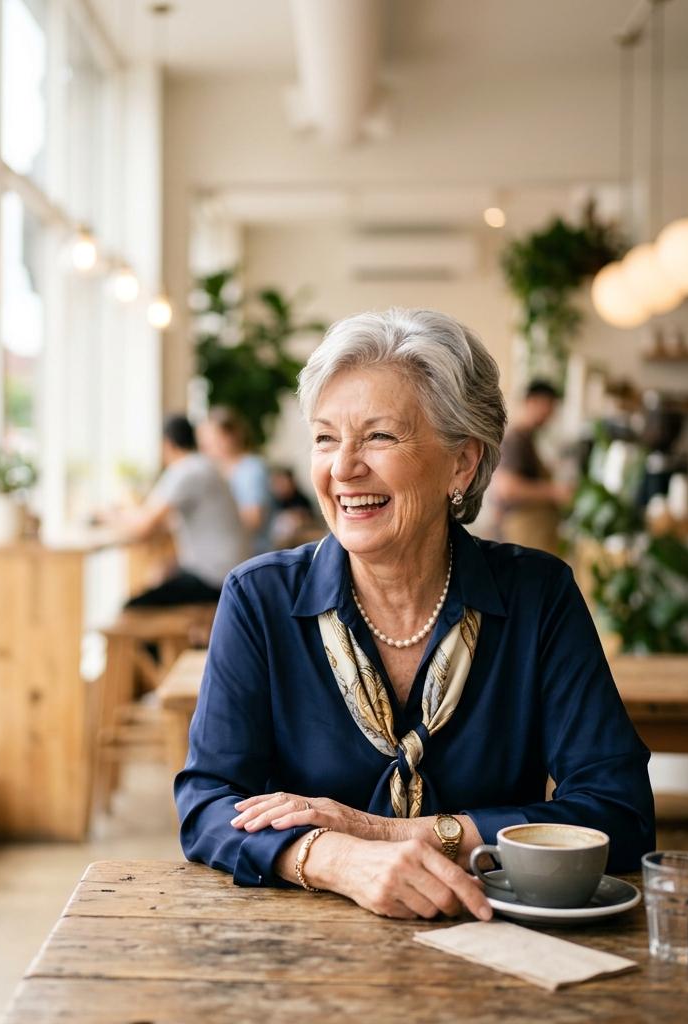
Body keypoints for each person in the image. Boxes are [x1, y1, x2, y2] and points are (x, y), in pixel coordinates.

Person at [175, 308, 654, 921]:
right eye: (325, 438)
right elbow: (208, 805)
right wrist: (335, 859)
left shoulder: (539, 595)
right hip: (301, 947)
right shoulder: (259, 599)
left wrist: (386, 833)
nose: (342, 468)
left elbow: (620, 813)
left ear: (463, 463)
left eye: (378, 436)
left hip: (498, 940)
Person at [115, 414, 247, 607]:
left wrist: (113, 514)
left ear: (167, 444)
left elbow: (143, 526)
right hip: (230, 572)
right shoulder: (205, 466)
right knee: (160, 575)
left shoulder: (185, 470)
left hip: (214, 579)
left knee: (132, 608)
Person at [491, 379, 573, 554]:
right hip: (522, 532)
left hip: (534, 532)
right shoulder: (515, 440)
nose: (551, 413)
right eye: (548, 405)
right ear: (532, 402)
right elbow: (508, 488)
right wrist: (553, 492)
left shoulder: (528, 439)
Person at [197, 406, 274, 556]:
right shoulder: (218, 470)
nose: (205, 447)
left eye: (211, 439)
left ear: (232, 436)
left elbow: (253, 519)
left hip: (250, 556)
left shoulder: (251, 468)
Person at [267, 464, 319, 547]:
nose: (279, 486)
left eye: (282, 481)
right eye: (276, 483)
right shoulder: (274, 502)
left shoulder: (301, 501)